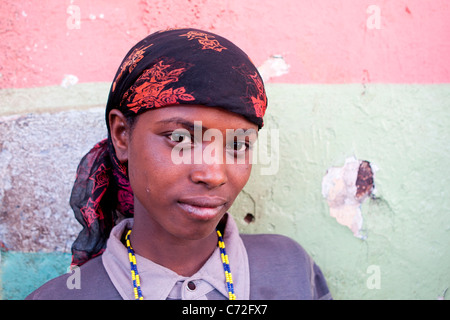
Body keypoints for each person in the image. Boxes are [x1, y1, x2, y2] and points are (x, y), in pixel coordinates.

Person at [26, 28, 331, 300]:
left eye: (237, 144)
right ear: (121, 135)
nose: (213, 174)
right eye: (181, 139)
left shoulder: (291, 269)